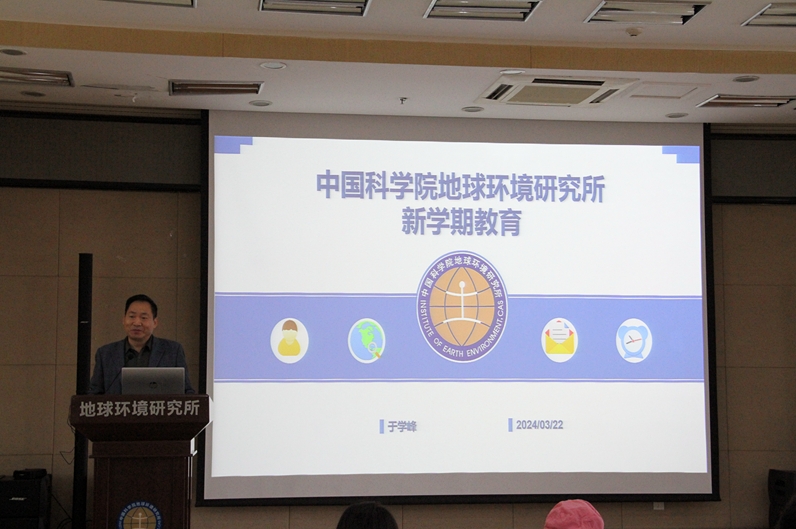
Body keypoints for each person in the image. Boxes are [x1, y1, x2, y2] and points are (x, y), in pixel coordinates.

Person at [88, 294, 195, 394]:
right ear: (123, 320)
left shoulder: (172, 351)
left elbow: (186, 391)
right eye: (132, 316)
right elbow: (94, 394)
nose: (137, 323)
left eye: (144, 318)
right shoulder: (105, 353)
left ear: (155, 322)